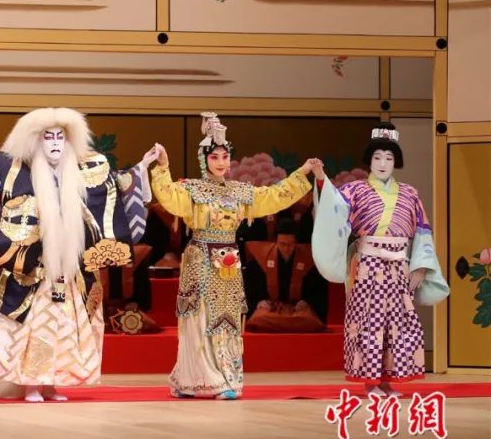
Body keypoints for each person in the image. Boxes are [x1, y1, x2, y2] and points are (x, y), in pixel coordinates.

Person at [0, 107, 155, 402]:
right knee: (36, 324)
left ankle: (52, 383)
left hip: (71, 269)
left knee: (65, 325)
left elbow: (116, 187)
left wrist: (142, 167)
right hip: (32, 266)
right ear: (36, 140)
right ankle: (32, 383)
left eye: (60, 137)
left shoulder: (86, 169)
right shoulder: (16, 169)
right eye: (48, 137)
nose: (54, 143)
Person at [149, 112, 322, 400]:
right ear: (204, 159)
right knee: (198, 318)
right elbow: (169, 198)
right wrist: (163, 166)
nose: (221, 162)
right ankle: (192, 379)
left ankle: (225, 378)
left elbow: (274, 196)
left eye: (225, 156)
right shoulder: (192, 189)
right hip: (200, 258)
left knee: (226, 318)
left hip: (227, 260)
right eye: (214, 156)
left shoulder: (240, 192)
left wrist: (301, 172)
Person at [312, 122, 448, 397]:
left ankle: (388, 380)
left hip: (399, 266)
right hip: (368, 265)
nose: (383, 163)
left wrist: (421, 266)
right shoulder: (354, 190)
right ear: (370, 161)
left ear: (395, 162)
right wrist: (321, 177)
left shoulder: (410, 193)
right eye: (377, 157)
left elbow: (422, 230)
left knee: (397, 322)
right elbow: (332, 208)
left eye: (388, 158)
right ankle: (370, 382)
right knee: (370, 321)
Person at [243, 217, 328, 333]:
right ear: (276, 241)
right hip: (271, 309)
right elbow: (250, 288)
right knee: (260, 318)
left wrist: (307, 302)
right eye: (282, 244)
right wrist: (260, 302)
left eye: (290, 244)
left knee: (308, 320)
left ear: (296, 242)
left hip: (297, 310)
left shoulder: (308, 258)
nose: (286, 248)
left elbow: (319, 290)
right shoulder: (262, 257)